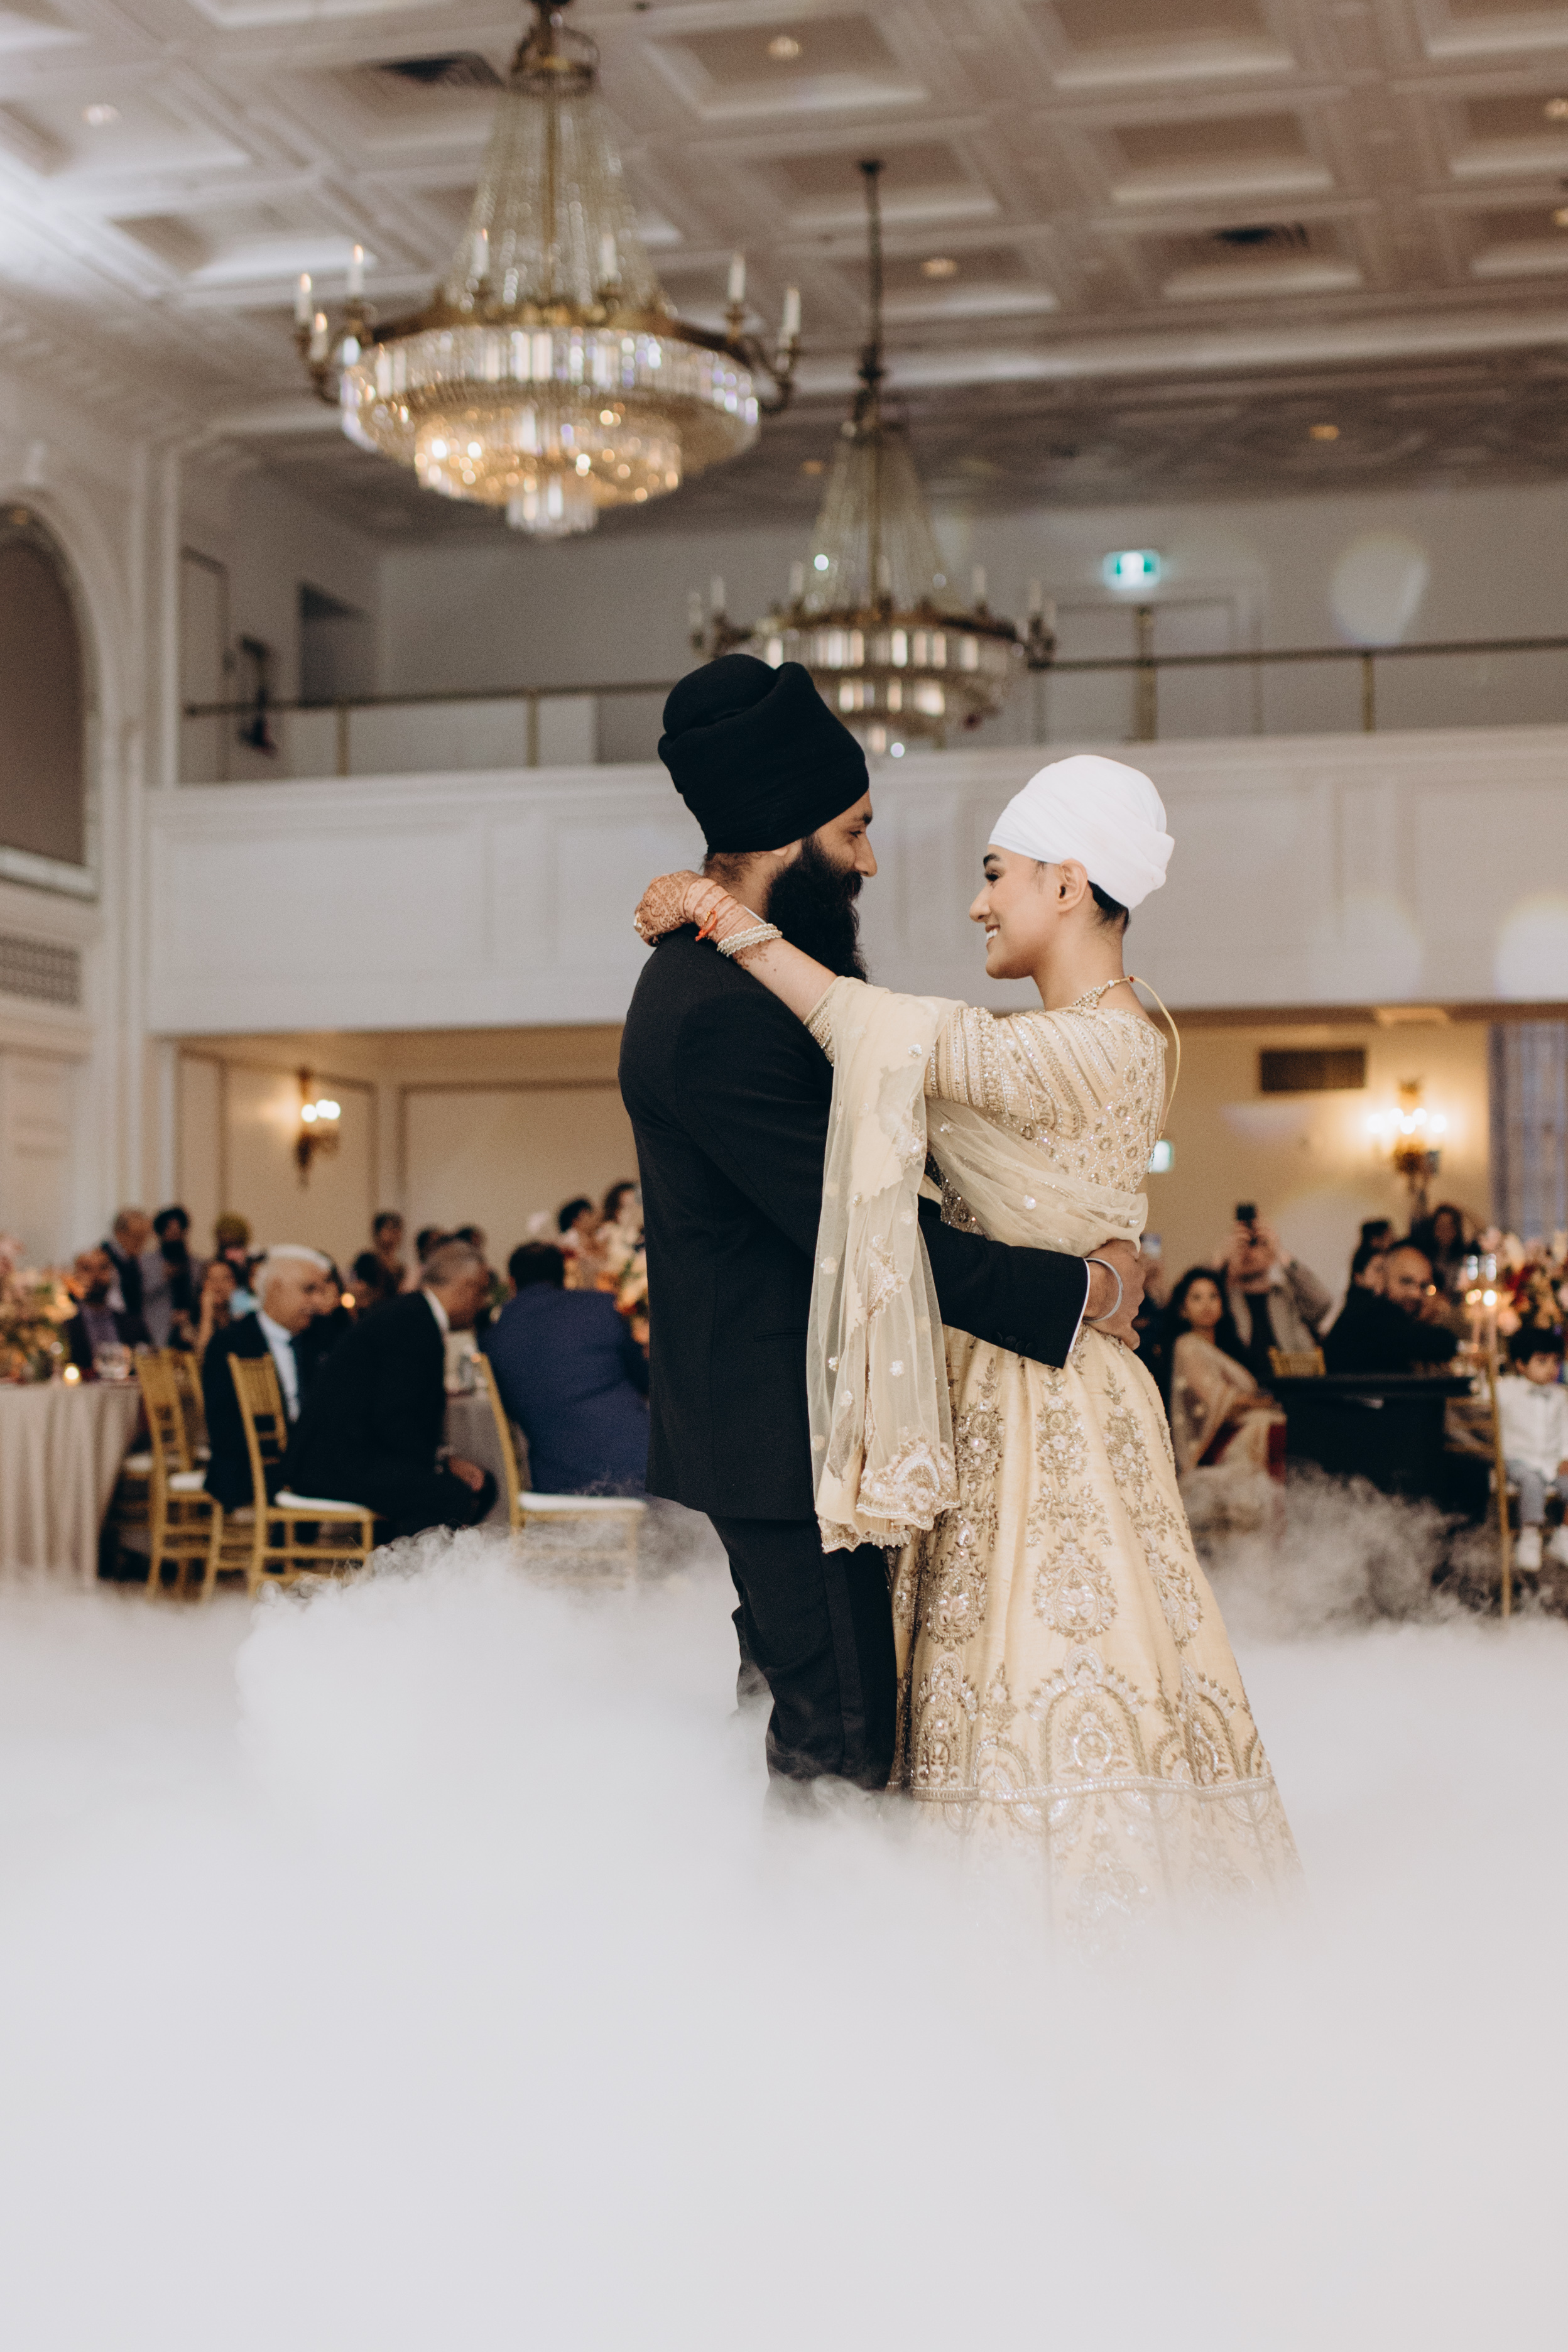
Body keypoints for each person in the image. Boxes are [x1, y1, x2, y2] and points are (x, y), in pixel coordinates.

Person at [636, 710, 1295, 1921]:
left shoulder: (1095, 1043)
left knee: (1044, 1677)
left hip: (1045, 1392)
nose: (973, 901)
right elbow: (894, 1136)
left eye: (996, 875)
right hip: (967, 1377)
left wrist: (723, 912)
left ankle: (1042, 1935)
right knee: (919, 1700)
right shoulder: (1024, 1038)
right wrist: (1092, 1282)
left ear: (1068, 883)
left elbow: (874, 1036)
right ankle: (878, 1950)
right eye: (857, 830)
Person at [621, 660, 1142, 1799]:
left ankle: (768, 1899)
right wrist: (1088, 1292)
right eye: (854, 831)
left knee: (807, 1714)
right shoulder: (718, 1013)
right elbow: (868, 1237)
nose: (868, 862)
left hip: (788, 1422)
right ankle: (815, 1913)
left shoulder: (736, 981)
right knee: (843, 1743)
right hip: (781, 1433)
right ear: (786, 834)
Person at [286, 1238, 497, 1540]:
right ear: (467, 1288)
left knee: (475, 1486)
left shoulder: (411, 1312)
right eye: (482, 1293)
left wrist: (441, 1462)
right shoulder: (414, 1322)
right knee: (451, 1494)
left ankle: (406, 1560)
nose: (482, 1304)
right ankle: (401, 1567)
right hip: (334, 1461)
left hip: (347, 1452)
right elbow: (393, 1416)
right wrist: (441, 1463)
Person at [484, 1242, 649, 1495]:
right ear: (563, 1276)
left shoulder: (495, 1337)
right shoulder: (602, 1306)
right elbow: (645, 1379)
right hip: (640, 1466)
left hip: (565, 1483)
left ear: (512, 1283)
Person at [200, 1246, 341, 1510]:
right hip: (253, 1466)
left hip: (312, 1460)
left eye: (321, 1291)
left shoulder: (325, 1336)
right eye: (309, 1290)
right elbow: (224, 1428)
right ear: (276, 1289)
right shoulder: (230, 1343)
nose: (317, 1301)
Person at [1165, 1266, 1285, 1530]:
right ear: (1183, 1309)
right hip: (1212, 1443)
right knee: (1272, 1427)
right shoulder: (1187, 1345)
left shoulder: (1226, 1347)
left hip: (1234, 1431)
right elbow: (1216, 1399)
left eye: (1213, 1296)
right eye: (1196, 1298)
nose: (1206, 1305)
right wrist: (1259, 1403)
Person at [1220, 1215, 1332, 1388]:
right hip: (1244, 1393)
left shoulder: (1287, 1295)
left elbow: (1322, 1303)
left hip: (1296, 1388)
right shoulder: (1224, 1298)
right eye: (1243, 1244)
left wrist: (1280, 1253)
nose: (1249, 1251)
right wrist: (1224, 1259)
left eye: (1256, 1243)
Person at [1323, 1241, 1461, 1374]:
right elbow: (1443, 1344)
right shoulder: (1371, 1313)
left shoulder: (1382, 1315)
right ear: (1383, 1279)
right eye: (1406, 1281)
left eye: (1424, 1286)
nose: (1416, 1294)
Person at [1496, 1327, 1568, 1574]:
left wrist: (1565, 1456)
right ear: (1521, 1364)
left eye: (1556, 1362)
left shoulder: (1560, 1396)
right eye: (1542, 1361)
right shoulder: (1506, 1390)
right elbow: (1484, 1406)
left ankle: (1564, 1536)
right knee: (1532, 1481)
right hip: (1517, 1459)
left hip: (1550, 1462)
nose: (1551, 1368)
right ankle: (1530, 1536)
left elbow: (1566, 1428)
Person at [60, 1247, 140, 1372]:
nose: (96, 1276)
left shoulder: (133, 1324)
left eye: (103, 1268)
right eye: (87, 1269)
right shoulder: (66, 1328)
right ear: (75, 1276)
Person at [102, 1207, 153, 1347]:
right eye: (137, 1236)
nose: (141, 1243)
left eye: (144, 1237)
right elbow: (115, 1303)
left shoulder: (131, 1260)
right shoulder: (105, 1260)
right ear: (119, 1233)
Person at [194, 1259, 236, 1363]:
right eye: (213, 1280)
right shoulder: (191, 1321)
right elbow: (202, 1359)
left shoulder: (241, 1320)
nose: (219, 1286)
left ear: (234, 1284)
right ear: (204, 1285)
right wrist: (207, 1313)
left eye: (225, 1279)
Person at [371, 1211, 406, 1291]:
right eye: (390, 1229)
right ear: (378, 1233)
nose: (395, 1233)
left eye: (398, 1229)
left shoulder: (401, 1268)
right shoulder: (367, 1261)